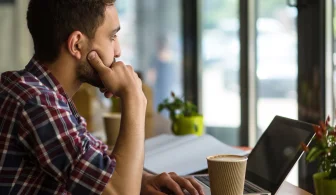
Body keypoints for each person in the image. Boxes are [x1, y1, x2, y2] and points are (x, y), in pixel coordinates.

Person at [0, 1, 204, 195]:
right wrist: (134, 98)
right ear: (76, 44)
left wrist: (142, 181)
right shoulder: (36, 103)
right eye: (112, 37)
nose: (118, 50)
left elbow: (94, 163)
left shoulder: (41, 94)